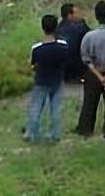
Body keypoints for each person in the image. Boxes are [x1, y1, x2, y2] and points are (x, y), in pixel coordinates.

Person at [76, 0, 105, 138]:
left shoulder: (89, 37)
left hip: (93, 72)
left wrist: (98, 74)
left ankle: (85, 128)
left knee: (89, 101)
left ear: (96, 16)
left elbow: (85, 58)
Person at [26, 13, 70, 143]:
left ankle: (33, 134)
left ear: (42, 28)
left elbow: (33, 65)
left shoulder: (37, 49)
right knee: (55, 109)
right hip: (57, 80)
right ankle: (54, 134)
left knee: (36, 108)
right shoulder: (63, 46)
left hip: (41, 80)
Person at [56, 3, 90, 85]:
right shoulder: (81, 27)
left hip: (61, 69)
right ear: (69, 15)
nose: (79, 15)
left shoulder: (57, 28)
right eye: (76, 13)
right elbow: (91, 39)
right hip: (78, 67)